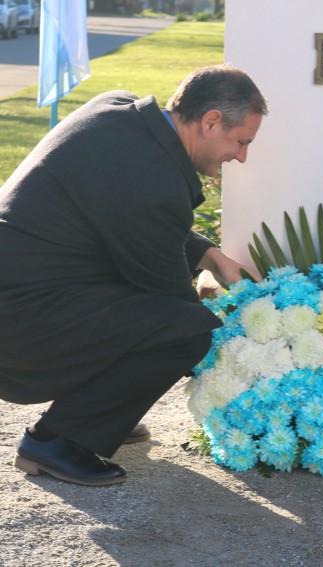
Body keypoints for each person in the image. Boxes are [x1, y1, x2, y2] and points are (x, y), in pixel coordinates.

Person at [0, 64, 266, 487]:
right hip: (20, 324)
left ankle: (97, 417)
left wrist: (211, 256)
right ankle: (54, 441)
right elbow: (167, 300)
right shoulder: (152, 182)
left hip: (23, 291)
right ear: (211, 121)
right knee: (186, 330)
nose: (241, 156)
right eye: (240, 141)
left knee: (160, 319)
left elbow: (125, 210)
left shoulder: (116, 109)